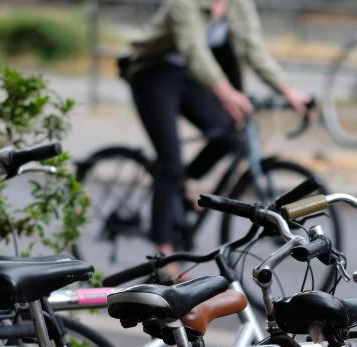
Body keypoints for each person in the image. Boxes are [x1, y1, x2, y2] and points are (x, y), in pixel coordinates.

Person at [123, 0, 311, 274]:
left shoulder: (238, 4)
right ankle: (164, 254)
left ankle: (182, 184)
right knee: (170, 161)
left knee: (229, 136)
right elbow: (194, 52)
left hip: (191, 75)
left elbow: (253, 49)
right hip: (154, 72)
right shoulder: (184, 3)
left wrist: (288, 91)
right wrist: (228, 93)